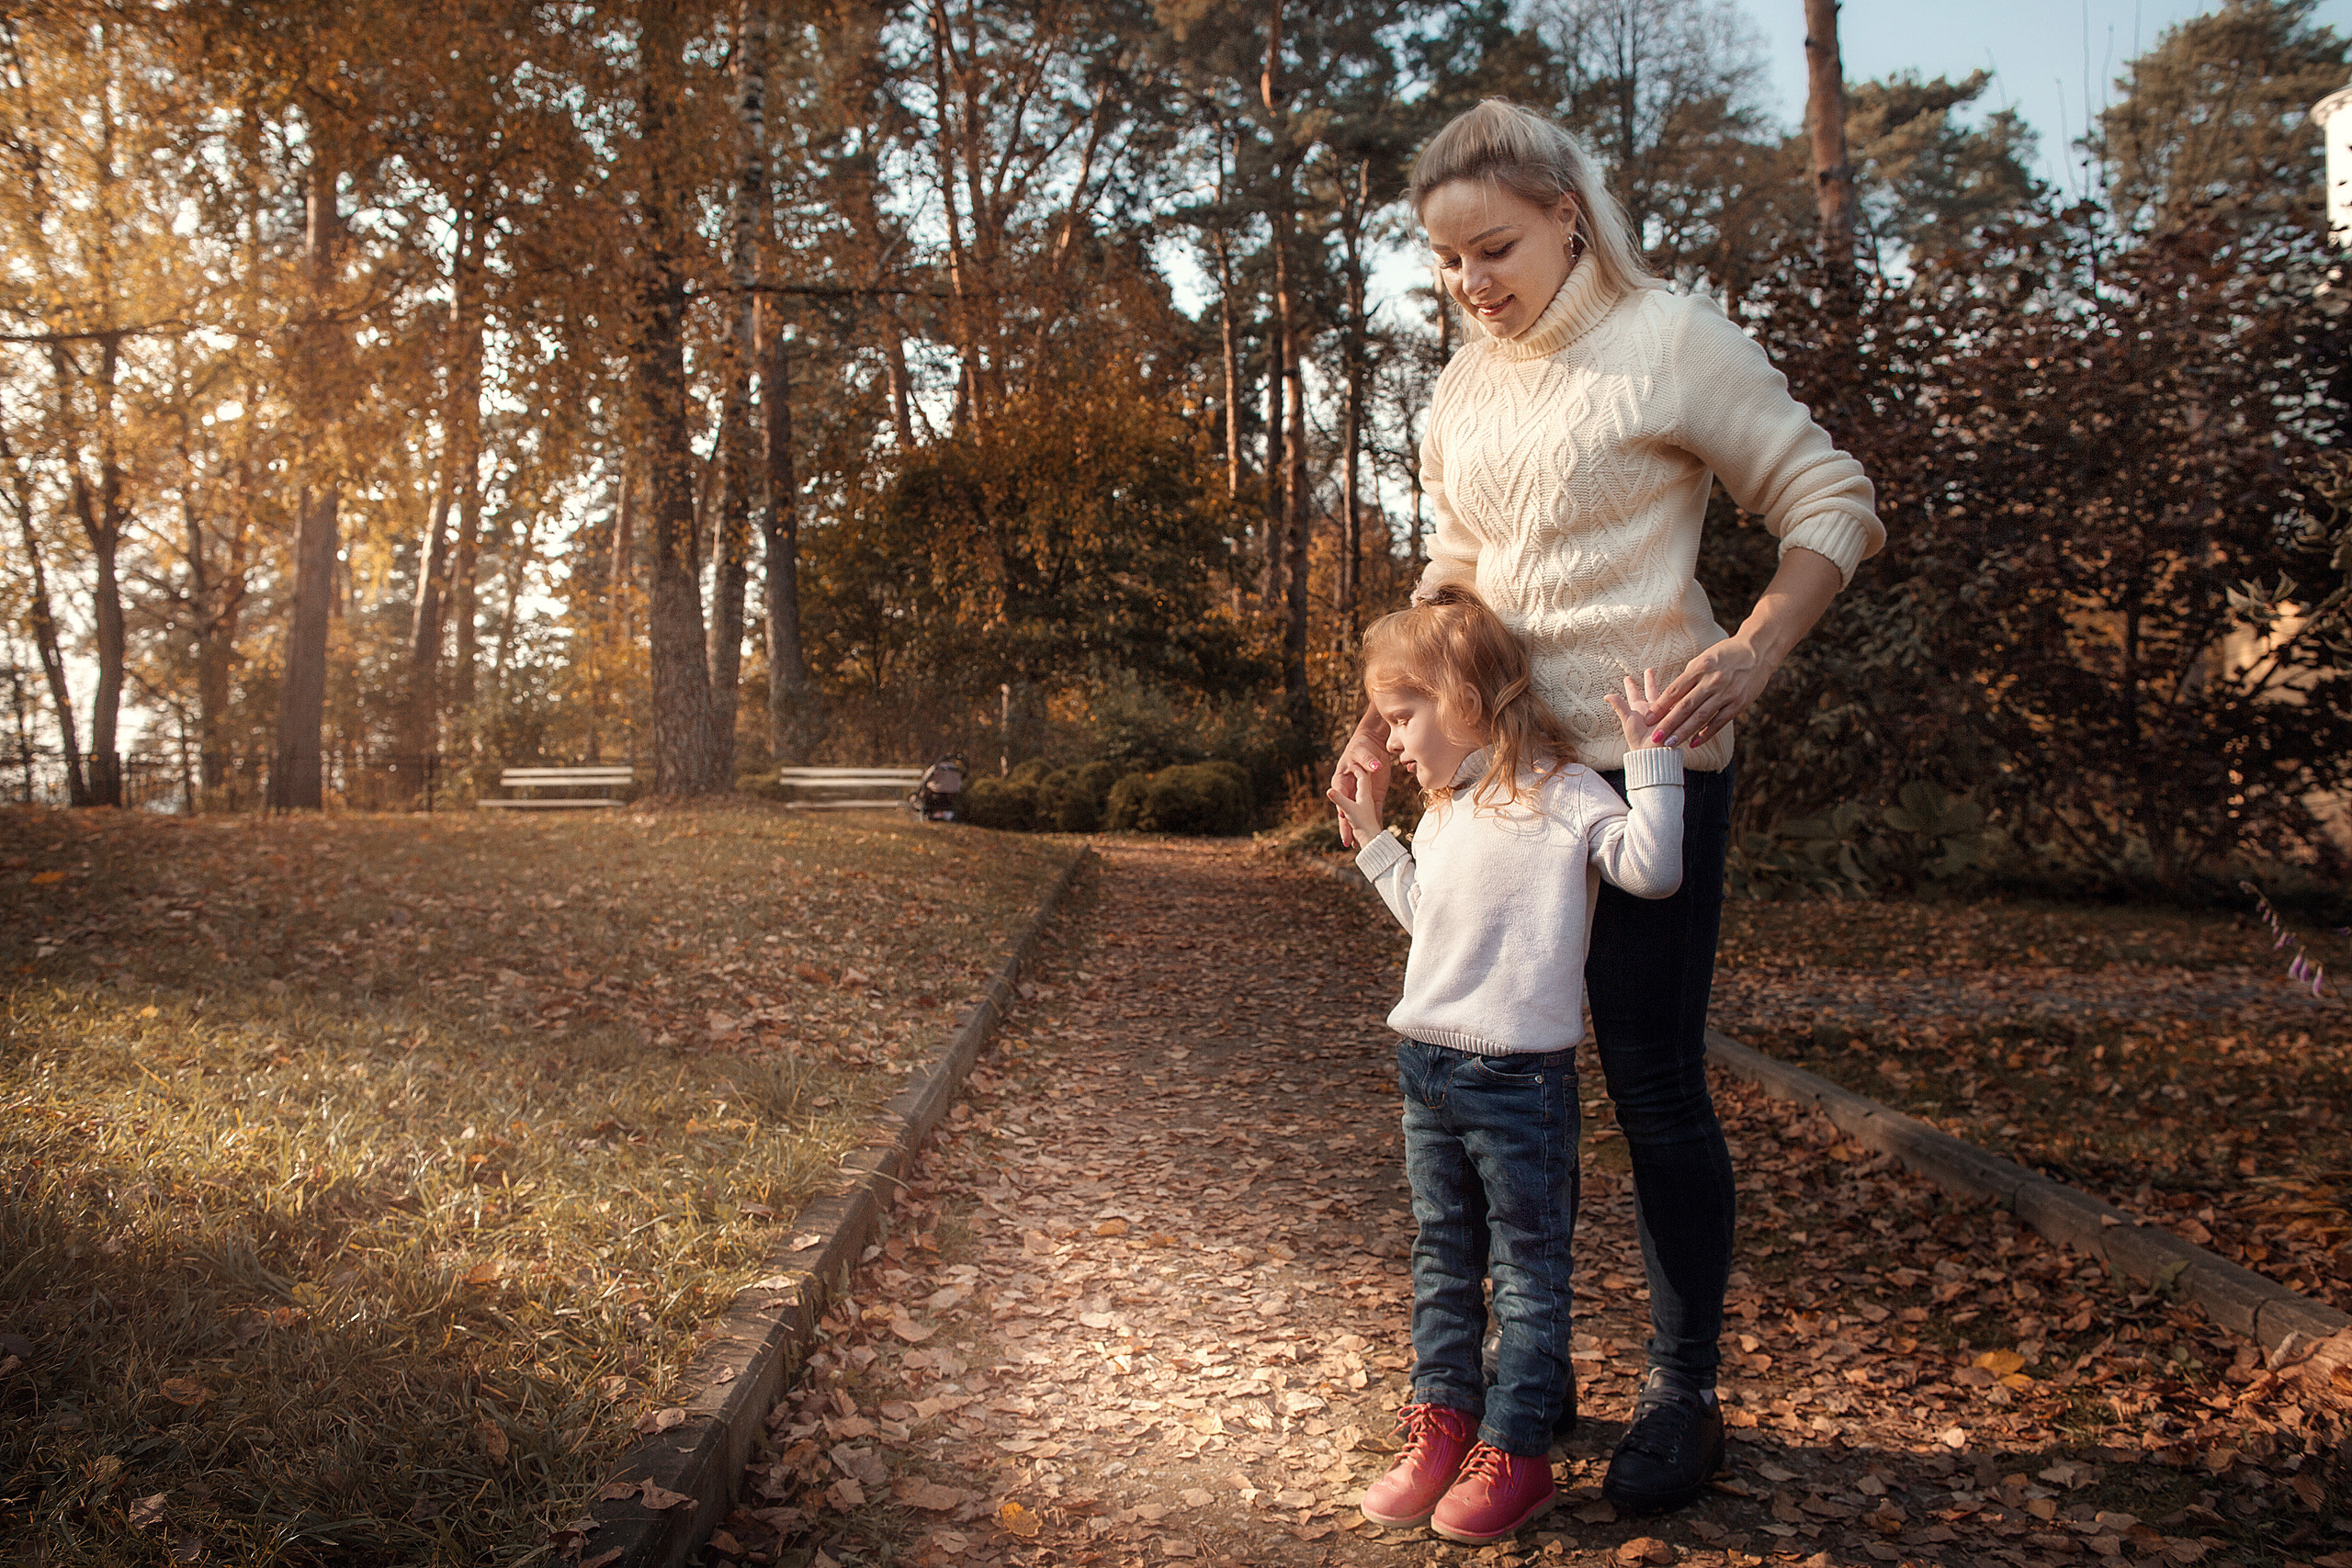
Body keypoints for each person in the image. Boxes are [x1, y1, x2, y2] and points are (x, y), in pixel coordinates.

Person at [1331, 99, 1884, 1514]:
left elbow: (1831, 497)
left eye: (1496, 248)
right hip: (1501, 791)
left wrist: (1751, 652)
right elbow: (1452, 569)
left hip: (1646, 775)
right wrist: (1390, 721)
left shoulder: (1673, 340)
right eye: (1449, 261)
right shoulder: (1462, 383)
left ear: (1571, 213)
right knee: (1511, 1091)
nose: (1474, 283)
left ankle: (1683, 1390)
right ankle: (1531, 1372)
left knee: (1648, 1084)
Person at [1329, 586, 1685, 1546]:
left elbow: (1653, 870)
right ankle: (1443, 1420)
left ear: (1463, 699)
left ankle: (1517, 1449)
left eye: (1401, 717)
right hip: (1426, 1070)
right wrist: (1374, 842)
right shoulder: (1442, 816)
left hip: (1520, 1087)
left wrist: (1652, 751)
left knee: (1527, 1274)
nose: (1392, 742)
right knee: (1442, 1258)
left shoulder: (1569, 795)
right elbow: (1429, 925)